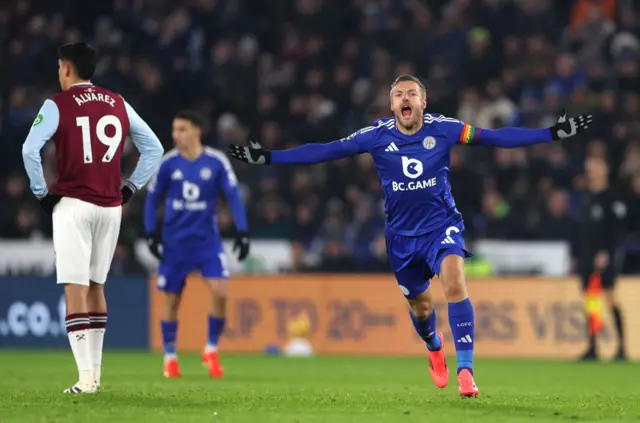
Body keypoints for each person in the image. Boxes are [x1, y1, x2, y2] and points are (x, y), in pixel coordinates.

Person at [228, 74, 593, 398]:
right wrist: (269, 158)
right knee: (422, 307)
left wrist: (551, 133)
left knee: (454, 281)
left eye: (412, 93)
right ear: (391, 105)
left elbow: (495, 138)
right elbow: (326, 151)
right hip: (401, 239)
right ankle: (434, 346)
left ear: (423, 101)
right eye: (399, 94)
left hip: (441, 226)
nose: (405, 99)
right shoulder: (375, 135)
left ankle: (466, 371)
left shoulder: (445, 129)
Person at [21, 42, 164, 394]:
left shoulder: (56, 104)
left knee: (75, 287)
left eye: (59, 67)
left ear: (66, 68)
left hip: (73, 204)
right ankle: (95, 376)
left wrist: (41, 193)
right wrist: (129, 188)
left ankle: (86, 379)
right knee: (97, 286)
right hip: (110, 206)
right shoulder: (118, 102)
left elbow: (29, 149)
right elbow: (155, 149)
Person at [144, 110, 250, 379]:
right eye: (174, 130)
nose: (175, 135)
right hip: (175, 242)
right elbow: (152, 199)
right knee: (172, 298)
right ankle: (170, 357)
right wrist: (150, 233)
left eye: (181, 129)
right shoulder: (168, 163)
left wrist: (242, 231)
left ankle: (211, 349)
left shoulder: (216, 162)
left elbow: (234, 196)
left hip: (207, 242)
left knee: (220, 291)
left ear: (197, 130)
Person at [576, 156, 627, 361]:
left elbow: (615, 231)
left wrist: (606, 252)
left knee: (610, 297)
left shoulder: (612, 198)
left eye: (595, 167)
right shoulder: (587, 197)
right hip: (587, 257)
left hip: (605, 256)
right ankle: (593, 346)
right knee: (591, 301)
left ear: (604, 170)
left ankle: (622, 347)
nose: (591, 171)